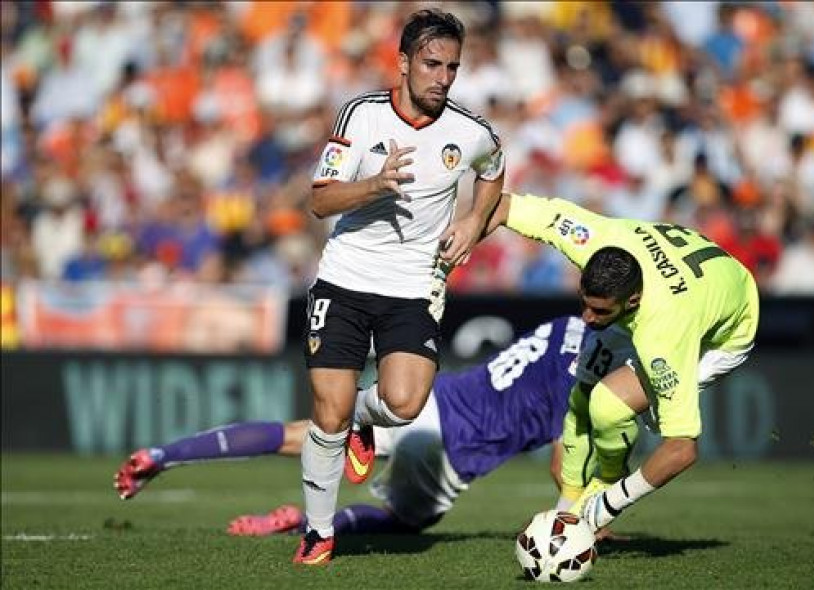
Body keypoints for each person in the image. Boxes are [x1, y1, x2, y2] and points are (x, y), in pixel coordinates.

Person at [114, 317, 637, 540]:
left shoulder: (569, 326)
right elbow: (563, 459)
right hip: (452, 446)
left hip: (435, 398)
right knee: (408, 525)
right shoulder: (597, 376)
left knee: (301, 434)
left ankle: (164, 454)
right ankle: (309, 522)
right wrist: (583, 522)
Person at [297, 8, 504, 564]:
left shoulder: (471, 131)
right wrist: (375, 185)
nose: (442, 77)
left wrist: (472, 224)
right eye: (432, 64)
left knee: (405, 403)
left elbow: (494, 170)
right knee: (328, 413)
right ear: (404, 62)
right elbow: (319, 200)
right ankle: (318, 532)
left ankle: (369, 421)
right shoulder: (361, 116)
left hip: (414, 284)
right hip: (345, 278)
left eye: (452, 68)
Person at [484, 191, 759, 533]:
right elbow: (510, 205)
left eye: (599, 311)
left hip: (721, 333)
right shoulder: (599, 241)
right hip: (683, 287)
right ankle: (567, 511)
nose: (586, 318)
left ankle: (597, 501)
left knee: (608, 406)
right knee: (581, 397)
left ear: (632, 300)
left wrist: (610, 503)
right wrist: (468, 226)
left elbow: (682, 449)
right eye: (584, 303)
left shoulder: (662, 335)